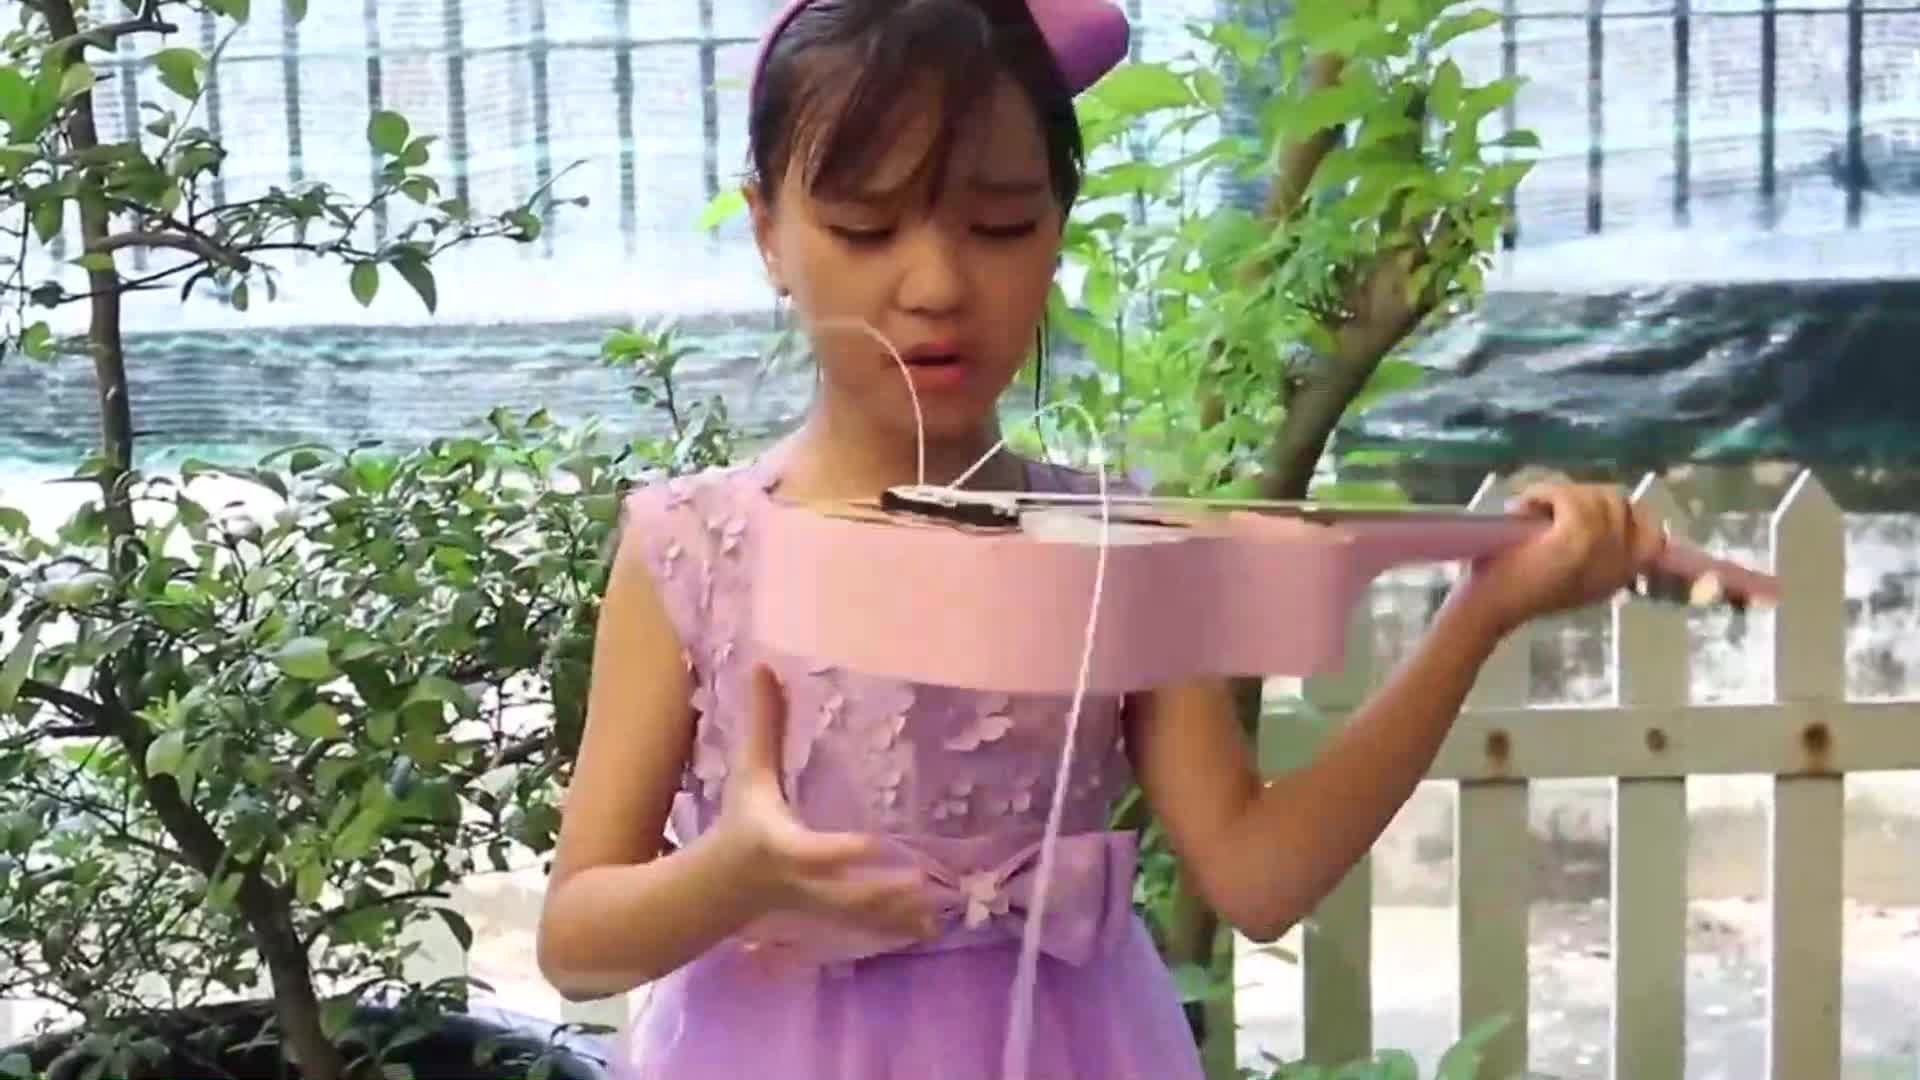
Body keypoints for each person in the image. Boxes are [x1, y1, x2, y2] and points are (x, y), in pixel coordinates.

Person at [535, 0, 1663, 1075]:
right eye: (865, 227)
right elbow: (576, 940)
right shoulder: (696, 547)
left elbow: (1257, 876)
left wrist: (1481, 615)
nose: (934, 284)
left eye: (1000, 224)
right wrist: (729, 877)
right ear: (770, 231)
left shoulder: (1112, 542)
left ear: (1058, 228)